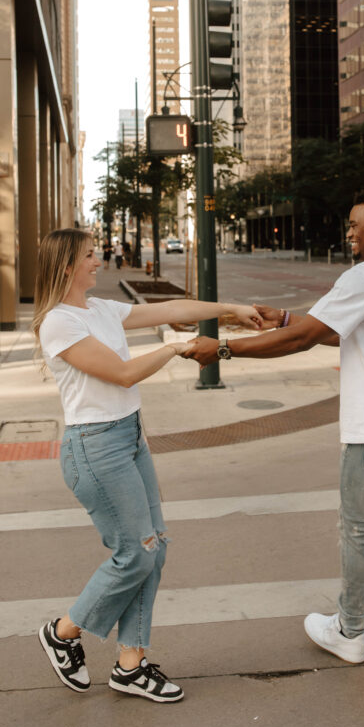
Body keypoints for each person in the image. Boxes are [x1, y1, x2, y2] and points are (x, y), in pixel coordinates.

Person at [181, 185, 364, 727]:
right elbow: (336, 328)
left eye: (355, 222)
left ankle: (350, 631)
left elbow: (306, 341)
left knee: (357, 534)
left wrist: (221, 349)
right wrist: (290, 316)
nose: (349, 230)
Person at [33, 228, 262, 702]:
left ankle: (131, 664)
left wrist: (230, 309)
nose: (99, 261)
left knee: (153, 549)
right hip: (95, 449)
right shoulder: (58, 322)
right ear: (68, 266)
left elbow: (173, 309)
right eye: (91, 256)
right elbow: (122, 373)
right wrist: (176, 348)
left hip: (129, 438)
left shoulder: (99, 309)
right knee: (135, 553)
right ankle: (63, 631)